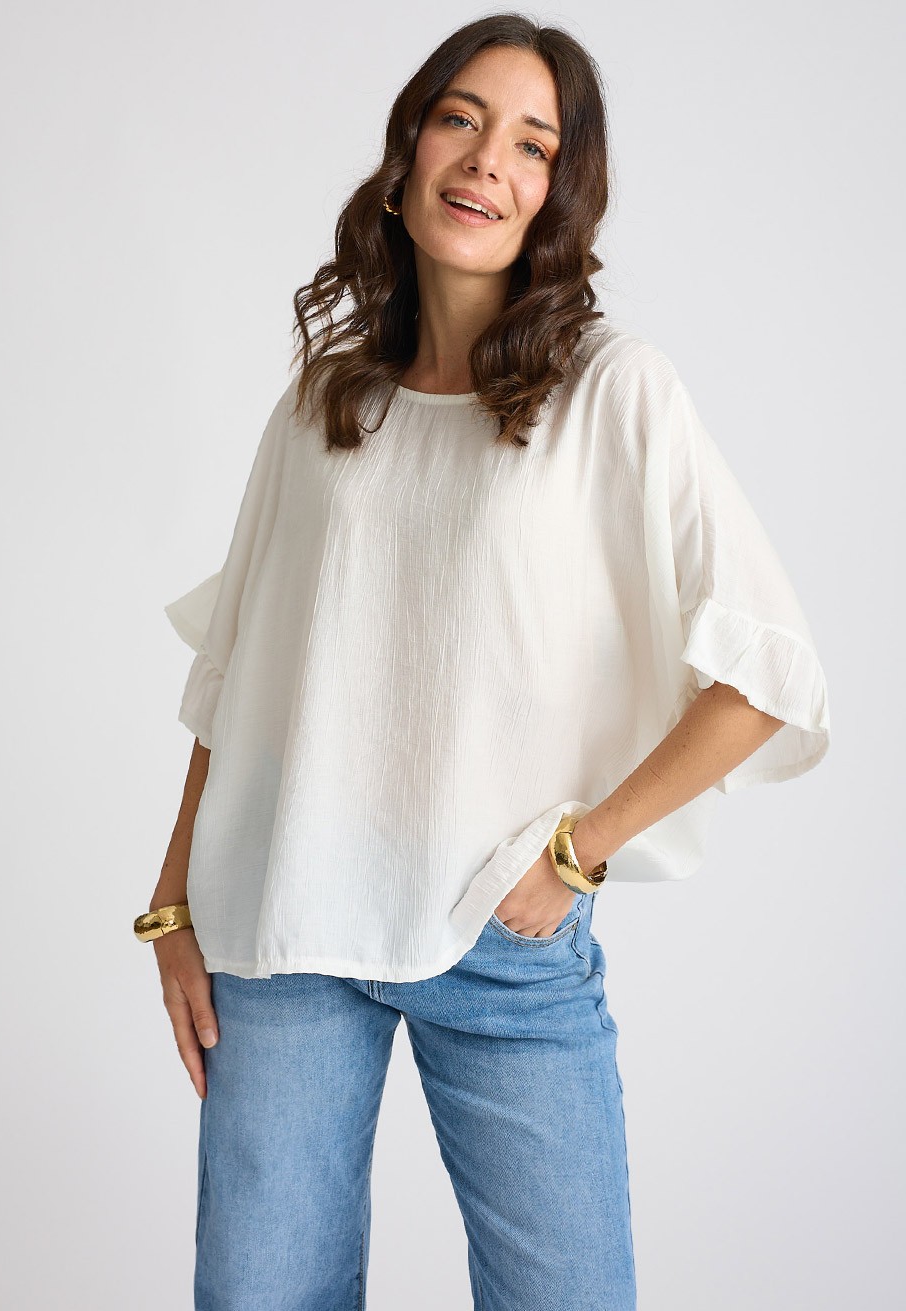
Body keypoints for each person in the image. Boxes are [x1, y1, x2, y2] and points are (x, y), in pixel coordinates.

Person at [136, 14, 831, 1310]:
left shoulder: (611, 388)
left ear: (559, 194)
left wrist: (576, 853)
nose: (487, 162)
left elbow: (765, 676)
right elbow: (241, 676)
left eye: (532, 144)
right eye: (461, 119)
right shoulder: (324, 401)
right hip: (285, 923)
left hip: (500, 932)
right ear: (407, 151)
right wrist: (176, 904)